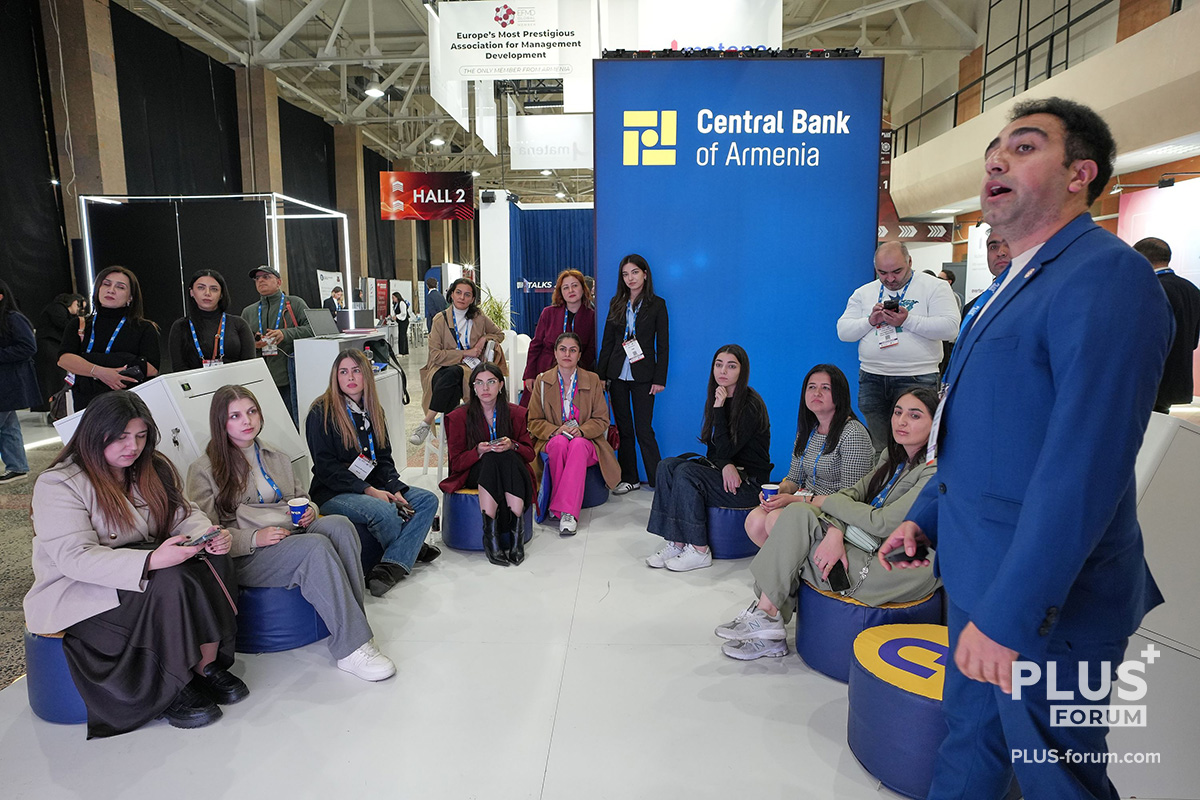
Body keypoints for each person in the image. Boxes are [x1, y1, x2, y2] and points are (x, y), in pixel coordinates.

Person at [880, 98, 1173, 800]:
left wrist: (1011, 615)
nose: (996, 161)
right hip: (979, 578)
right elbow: (983, 437)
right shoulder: (1011, 284)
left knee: (1056, 778)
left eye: (1024, 147)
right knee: (968, 747)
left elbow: (1085, 469)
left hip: (1050, 608)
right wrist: (926, 520)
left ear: (1080, 174)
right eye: (994, 152)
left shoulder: (1107, 277)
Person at [23, 391, 245, 737]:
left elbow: (184, 513)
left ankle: (204, 666)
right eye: (122, 437)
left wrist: (207, 535)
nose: (133, 446)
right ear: (95, 434)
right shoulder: (59, 483)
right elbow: (75, 558)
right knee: (169, 580)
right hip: (80, 589)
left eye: (141, 436)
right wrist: (152, 560)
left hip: (137, 565)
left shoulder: (151, 468)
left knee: (211, 559)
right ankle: (172, 684)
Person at [187, 385, 395, 681]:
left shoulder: (276, 456)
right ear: (221, 422)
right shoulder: (203, 469)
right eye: (235, 416)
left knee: (340, 525)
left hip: (289, 532)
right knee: (315, 547)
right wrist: (254, 538)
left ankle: (355, 627)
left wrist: (310, 509)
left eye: (251, 411)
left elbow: (302, 497)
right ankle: (351, 649)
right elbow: (208, 535)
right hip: (247, 554)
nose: (247, 421)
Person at [716, 388, 941, 661]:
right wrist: (835, 529)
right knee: (797, 516)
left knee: (792, 541)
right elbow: (850, 495)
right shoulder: (890, 458)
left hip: (895, 565)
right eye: (897, 412)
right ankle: (767, 617)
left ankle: (767, 618)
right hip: (865, 543)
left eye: (915, 416)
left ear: (936, 424)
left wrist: (822, 504)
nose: (901, 421)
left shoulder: (933, 471)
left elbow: (883, 522)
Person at [306, 349, 439, 597]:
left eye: (356, 370)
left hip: (373, 485)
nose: (350, 377)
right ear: (335, 376)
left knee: (427, 500)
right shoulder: (320, 411)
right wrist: (369, 490)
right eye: (343, 372)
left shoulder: (373, 410)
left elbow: (384, 458)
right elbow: (325, 467)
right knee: (384, 511)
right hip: (334, 492)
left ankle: (396, 559)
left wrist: (395, 487)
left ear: (366, 374)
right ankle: (403, 557)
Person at [646, 344, 770, 572]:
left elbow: (727, 449)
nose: (723, 371)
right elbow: (715, 452)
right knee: (667, 466)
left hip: (748, 483)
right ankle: (676, 541)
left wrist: (719, 410)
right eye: (719, 365)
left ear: (742, 371)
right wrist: (725, 465)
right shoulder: (719, 396)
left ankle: (700, 550)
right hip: (727, 473)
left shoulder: (750, 405)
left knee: (687, 473)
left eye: (731, 366)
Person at [836, 242, 959, 451]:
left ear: (910, 262)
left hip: (917, 377)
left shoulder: (935, 286)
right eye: (882, 273)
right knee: (880, 448)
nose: (890, 279)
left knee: (915, 447)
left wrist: (907, 320)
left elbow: (951, 329)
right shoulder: (864, 292)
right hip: (872, 377)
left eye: (897, 271)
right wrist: (870, 321)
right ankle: (884, 474)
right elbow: (843, 331)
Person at [744, 363, 874, 547]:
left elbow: (850, 498)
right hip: (805, 501)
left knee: (777, 519)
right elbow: (794, 479)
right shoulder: (808, 431)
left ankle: (796, 564)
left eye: (825, 388)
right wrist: (780, 491)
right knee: (755, 519)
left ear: (840, 394)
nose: (817, 393)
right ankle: (788, 564)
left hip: (835, 511)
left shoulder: (853, 433)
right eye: (811, 387)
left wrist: (795, 499)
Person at [440, 363, 536, 566]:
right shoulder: (458, 417)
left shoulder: (516, 413)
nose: (485, 388)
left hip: (510, 470)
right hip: (475, 471)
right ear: (473, 387)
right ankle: (491, 538)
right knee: (491, 458)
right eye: (479, 383)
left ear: (500, 385)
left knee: (506, 455)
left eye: (491, 382)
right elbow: (456, 463)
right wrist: (478, 451)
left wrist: (513, 445)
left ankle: (516, 537)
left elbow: (529, 454)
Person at [527, 332, 620, 534]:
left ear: (579, 355)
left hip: (587, 442)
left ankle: (566, 513)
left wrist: (582, 431)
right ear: (555, 353)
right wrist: (556, 430)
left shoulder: (592, 380)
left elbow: (602, 419)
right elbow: (533, 421)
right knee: (559, 444)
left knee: (576, 445)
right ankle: (562, 509)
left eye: (573, 350)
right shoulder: (542, 381)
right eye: (562, 349)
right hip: (553, 439)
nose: (567, 354)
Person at [596, 254, 669, 493]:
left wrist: (660, 379)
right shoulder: (616, 303)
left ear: (645, 274)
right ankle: (630, 478)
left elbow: (663, 345)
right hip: (617, 375)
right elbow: (607, 342)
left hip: (644, 375)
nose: (630, 278)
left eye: (635, 272)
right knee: (624, 429)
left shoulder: (657, 304)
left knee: (643, 429)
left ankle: (659, 482)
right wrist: (601, 376)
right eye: (626, 274)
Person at [411, 278, 506, 445]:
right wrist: (465, 353)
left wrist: (483, 338)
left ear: (472, 298)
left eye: (467, 294)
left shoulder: (479, 317)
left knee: (454, 377)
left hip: (469, 368)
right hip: (440, 368)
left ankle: (429, 422)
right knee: (452, 376)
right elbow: (436, 355)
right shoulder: (440, 319)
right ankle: (455, 436)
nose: (462, 297)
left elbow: (499, 334)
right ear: (452, 295)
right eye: (458, 293)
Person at [57, 266, 161, 412]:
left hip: (128, 404)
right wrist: (103, 372)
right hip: (87, 404)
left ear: (130, 297)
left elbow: (151, 369)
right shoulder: (79, 324)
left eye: (120, 287)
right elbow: (64, 360)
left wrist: (86, 359)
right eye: (106, 284)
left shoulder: (144, 327)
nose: (111, 290)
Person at [1133, 237, 1200, 413]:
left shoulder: (1151, 288)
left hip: (1150, 379)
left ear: (1141, 258)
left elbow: (1142, 338)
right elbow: (1193, 341)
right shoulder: (1192, 289)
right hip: (1176, 380)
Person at [239, 265, 313, 423]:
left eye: (266, 277)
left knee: (292, 422)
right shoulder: (248, 312)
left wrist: (285, 334)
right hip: (260, 379)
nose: (261, 281)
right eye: (257, 278)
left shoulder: (294, 304)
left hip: (289, 378)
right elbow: (241, 342)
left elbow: (313, 329)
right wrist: (254, 343)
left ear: (279, 282)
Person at [521, 269, 597, 406]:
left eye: (575, 285)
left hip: (577, 372)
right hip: (545, 369)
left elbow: (591, 348)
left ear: (583, 288)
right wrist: (530, 374)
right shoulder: (548, 313)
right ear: (560, 292)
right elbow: (535, 345)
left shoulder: (592, 316)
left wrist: (576, 369)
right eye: (565, 287)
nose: (571, 290)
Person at [167, 270, 255, 372]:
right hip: (195, 381)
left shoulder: (239, 324)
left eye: (214, 289)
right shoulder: (180, 326)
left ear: (221, 294)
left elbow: (250, 366)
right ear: (191, 292)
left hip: (235, 380)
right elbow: (179, 369)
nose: (207, 293)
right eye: (201, 288)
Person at [0, 280, 40, 483]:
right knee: (8, 426)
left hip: (9, 383)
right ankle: (17, 466)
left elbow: (29, 347)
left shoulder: (13, 318)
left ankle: (17, 466)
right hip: (6, 384)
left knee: (7, 425)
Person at [34, 292, 84, 412]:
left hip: (51, 348)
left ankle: (55, 408)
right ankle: (54, 408)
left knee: (56, 379)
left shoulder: (57, 311)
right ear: (73, 301)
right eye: (78, 306)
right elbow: (64, 324)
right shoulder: (57, 308)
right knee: (53, 380)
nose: (78, 310)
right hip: (49, 348)